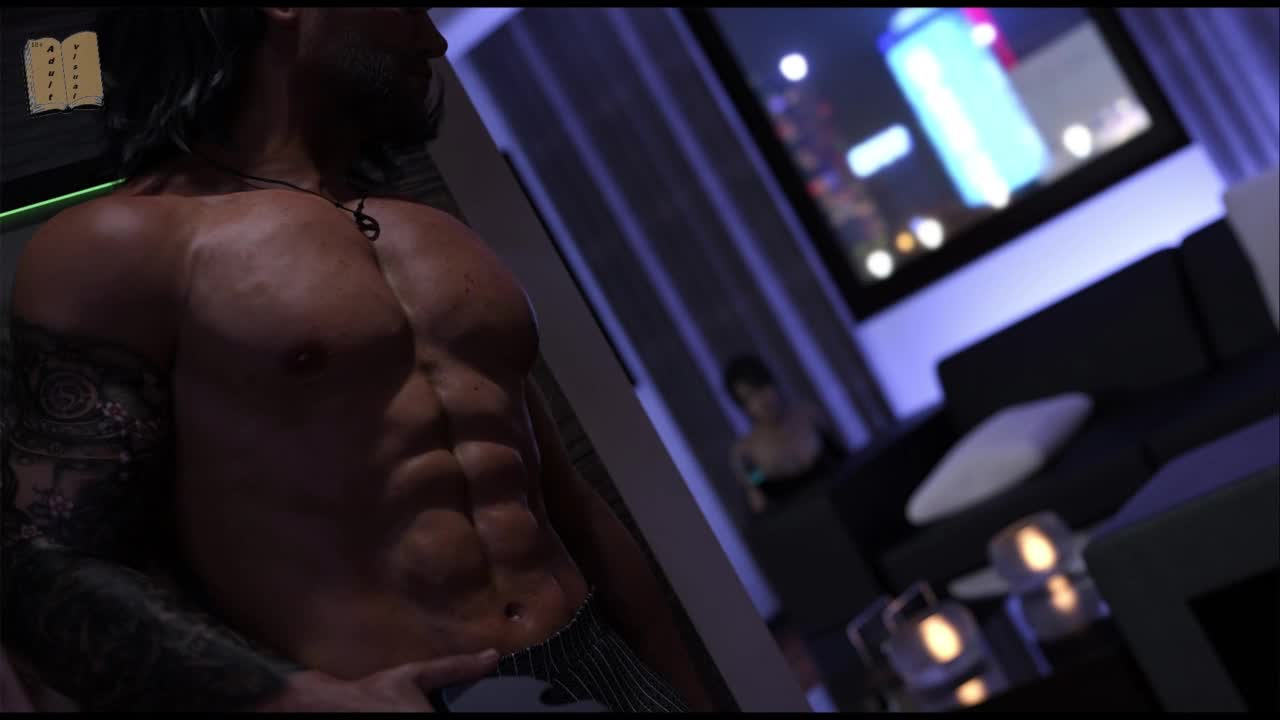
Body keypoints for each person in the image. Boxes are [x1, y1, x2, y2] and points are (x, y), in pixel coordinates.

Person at [0, 7, 710, 713]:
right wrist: (293, 698)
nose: (434, 39)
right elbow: (40, 562)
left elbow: (567, 507)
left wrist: (678, 692)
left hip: (598, 666)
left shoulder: (438, 233)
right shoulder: (122, 247)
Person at [724, 356, 848, 514]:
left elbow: (845, 462)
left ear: (773, 383)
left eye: (762, 387)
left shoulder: (810, 417)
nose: (761, 402)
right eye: (749, 397)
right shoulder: (745, 455)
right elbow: (761, 505)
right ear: (743, 407)